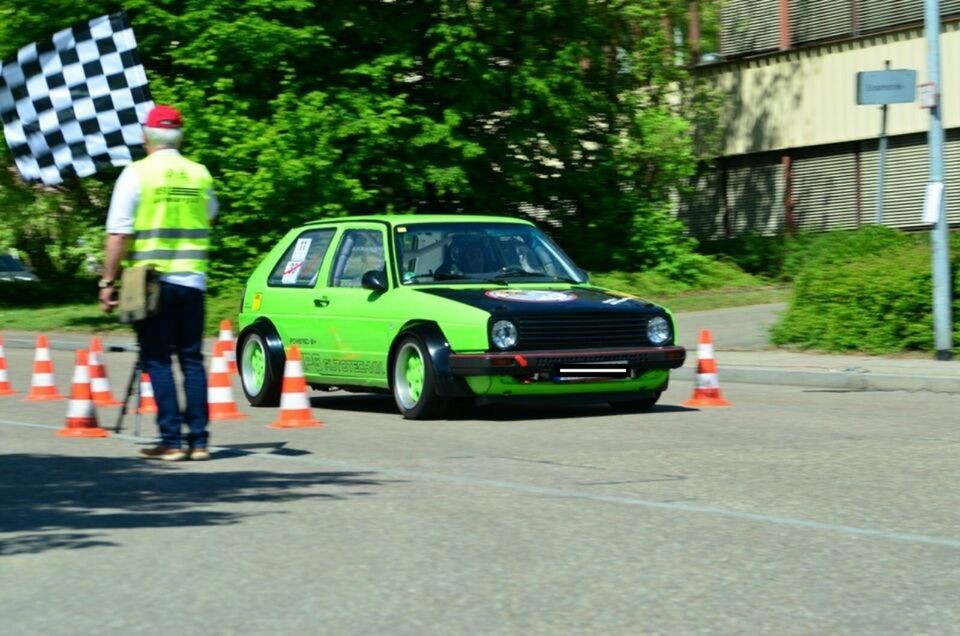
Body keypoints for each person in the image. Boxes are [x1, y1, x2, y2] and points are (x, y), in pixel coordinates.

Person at [99, 104, 218, 462]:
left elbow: (118, 233)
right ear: (180, 136)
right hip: (193, 278)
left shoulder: (137, 174)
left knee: (157, 359)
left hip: (149, 281)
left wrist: (108, 281)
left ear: (145, 137)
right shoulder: (200, 174)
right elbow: (210, 217)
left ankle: (171, 441)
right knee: (192, 360)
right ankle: (198, 441)